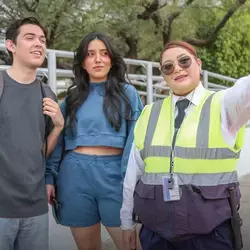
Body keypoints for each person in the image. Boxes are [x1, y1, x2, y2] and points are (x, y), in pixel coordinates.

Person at [121, 40, 250, 250]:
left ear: (198, 64)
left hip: (211, 235)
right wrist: (126, 223)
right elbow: (133, 174)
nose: (177, 68)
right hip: (156, 235)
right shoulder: (149, 113)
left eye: (184, 61)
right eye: (168, 66)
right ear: (163, 75)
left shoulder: (224, 105)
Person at [46, 31, 143, 250]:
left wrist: (130, 181)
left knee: (132, 246)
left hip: (115, 177)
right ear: (82, 62)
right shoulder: (71, 98)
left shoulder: (128, 93)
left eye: (104, 53)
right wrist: (48, 178)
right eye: (90, 54)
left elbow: (135, 140)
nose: (98, 59)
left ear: (112, 60)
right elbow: (57, 141)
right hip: (74, 177)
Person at [0, 17, 64, 250]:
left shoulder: (47, 94)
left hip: (36, 209)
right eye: (29, 38)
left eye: (42, 40)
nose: (38, 44)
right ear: (11, 46)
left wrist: (58, 126)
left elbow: (42, 151)